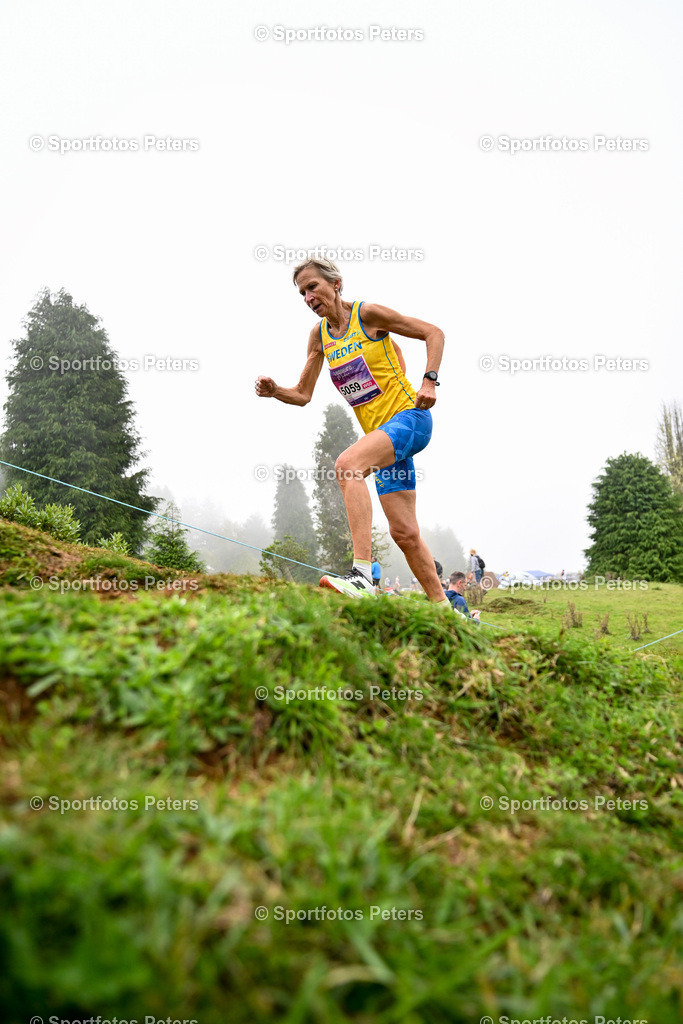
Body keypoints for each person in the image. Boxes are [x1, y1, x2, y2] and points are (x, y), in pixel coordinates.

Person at [255, 257, 449, 605]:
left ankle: (362, 576)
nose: (308, 298)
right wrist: (275, 392)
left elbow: (433, 333)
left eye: (312, 287)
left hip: (411, 420)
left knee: (347, 465)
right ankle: (444, 610)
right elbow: (302, 394)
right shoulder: (319, 336)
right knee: (404, 533)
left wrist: (429, 381)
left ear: (336, 284)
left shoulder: (368, 315)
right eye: (301, 293)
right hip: (384, 441)